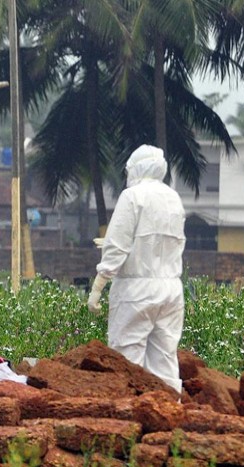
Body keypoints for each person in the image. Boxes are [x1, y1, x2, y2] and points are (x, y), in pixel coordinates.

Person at [87, 144, 186, 392]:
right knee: (164, 361)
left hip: (136, 289)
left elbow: (117, 245)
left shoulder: (133, 196)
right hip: (171, 289)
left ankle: (128, 420)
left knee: (125, 360)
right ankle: (169, 419)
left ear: (134, 168)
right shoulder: (173, 197)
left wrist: (98, 286)